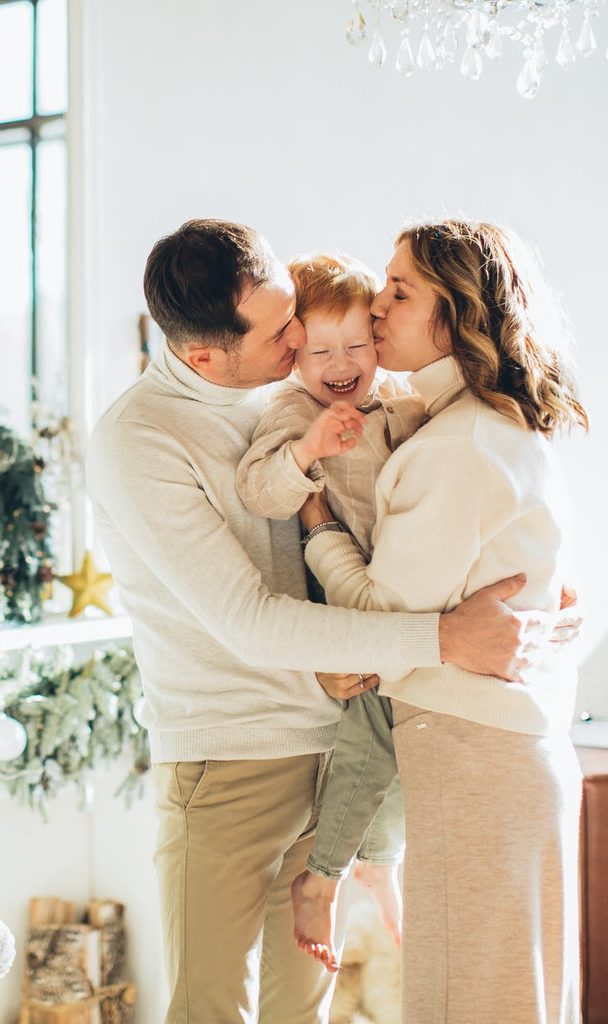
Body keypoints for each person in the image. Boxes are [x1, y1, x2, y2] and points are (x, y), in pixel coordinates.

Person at [85, 219, 545, 1024]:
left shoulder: (285, 391)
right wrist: (444, 637)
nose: (302, 337)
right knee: (211, 1011)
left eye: (290, 309)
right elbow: (250, 621)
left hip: (330, 741)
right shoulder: (139, 438)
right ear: (203, 357)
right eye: (277, 331)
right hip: (229, 762)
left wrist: (536, 607)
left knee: (304, 1014)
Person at [298, 220, 587, 1021]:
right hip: (501, 762)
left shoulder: (459, 447)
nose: (376, 308)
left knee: (471, 999)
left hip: (474, 763)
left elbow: (381, 631)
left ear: (456, 314)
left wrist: (320, 528)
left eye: (400, 290)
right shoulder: (489, 431)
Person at [236, 252, 422, 951]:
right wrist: (308, 450)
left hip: (393, 587)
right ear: (295, 354)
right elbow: (259, 492)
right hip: (342, 595)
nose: (340, 364)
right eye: (319, 351)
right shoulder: (292, 408)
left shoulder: (399, 396)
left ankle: (375, 862)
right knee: (374, 733)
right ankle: (331, 871)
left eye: (356, 346)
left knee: (404, 731)